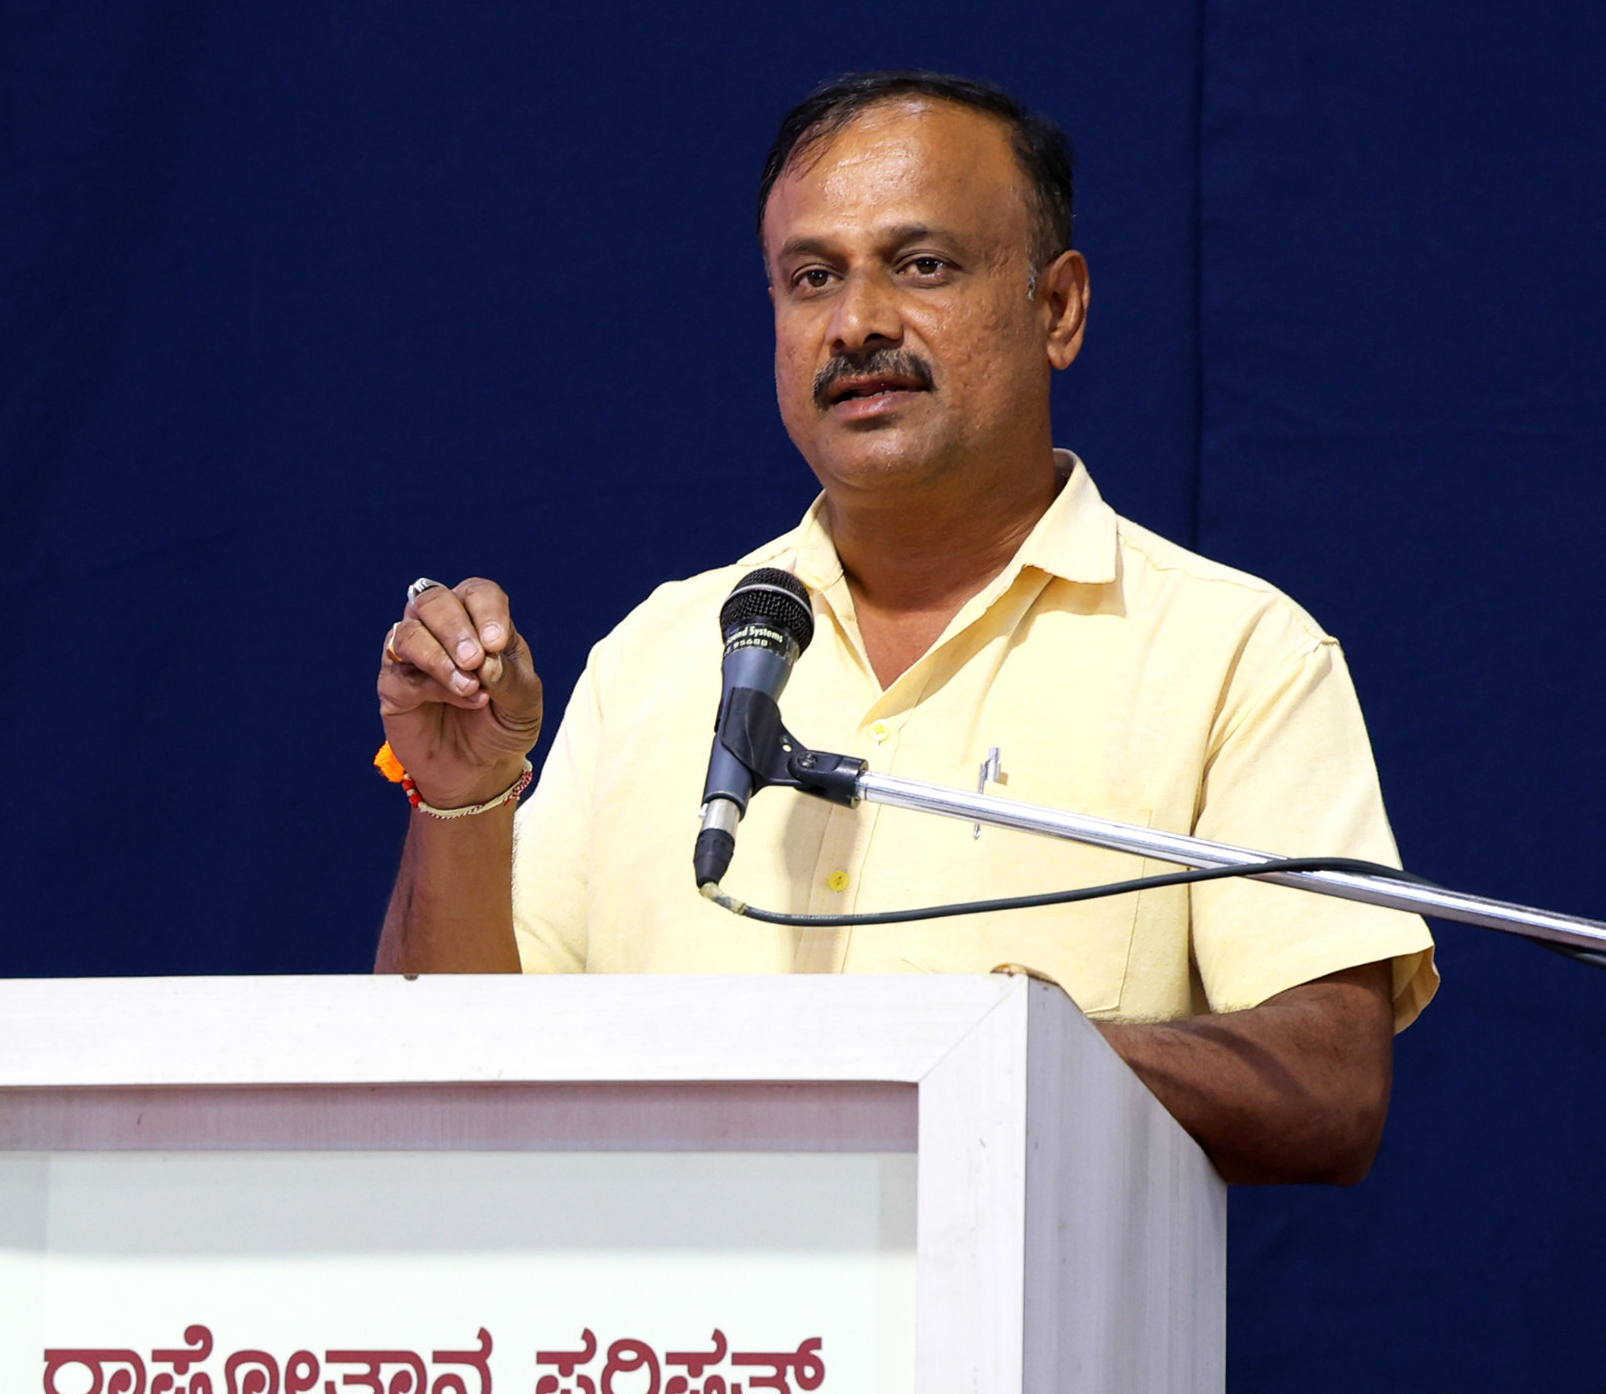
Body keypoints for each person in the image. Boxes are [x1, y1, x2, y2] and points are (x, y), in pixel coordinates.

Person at [373, 71, 1436, 1185]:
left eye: (922, 265)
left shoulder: (1232, 654)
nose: (857, 323)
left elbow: (1330, 1087)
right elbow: (440, 1095)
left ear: (1058, 308)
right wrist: (462, 800)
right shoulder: (656, 655)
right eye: (812, 278)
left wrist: (1022, 1057)